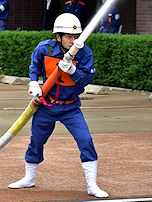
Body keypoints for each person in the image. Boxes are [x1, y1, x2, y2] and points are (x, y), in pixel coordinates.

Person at [8, 13, 109, 198]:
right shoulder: (45, 49)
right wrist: (32, 82)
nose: (73, 41)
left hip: (70, 108)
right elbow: (34, 66)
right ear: (58, 37)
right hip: (46, 106)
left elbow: (85, 80)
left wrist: (73, 70)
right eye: (69, 37)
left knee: (85, 140)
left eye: (76, 37)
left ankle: (92, 185)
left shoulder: (85, 53)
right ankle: (28, 179)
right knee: (36, 141)